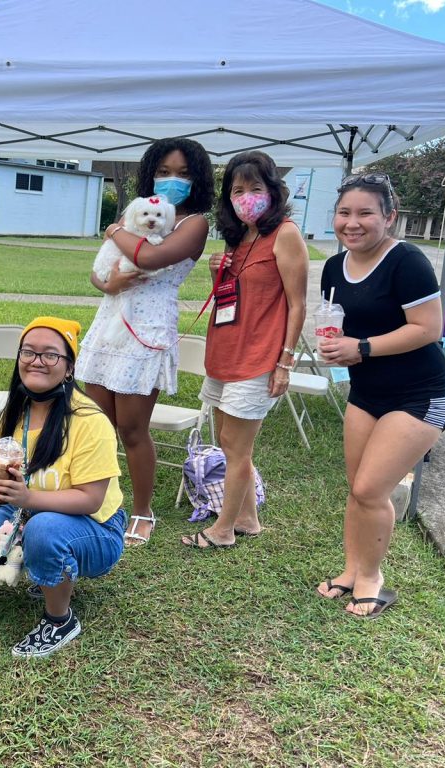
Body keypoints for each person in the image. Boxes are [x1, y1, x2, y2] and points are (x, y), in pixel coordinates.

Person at [0, 317, 126, 657]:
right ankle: (47, 571)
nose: (37, 360)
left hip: (95, 526)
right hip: (23, 513)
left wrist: (29, 498)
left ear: (69, 368)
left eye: (50, 354)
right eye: (29, 351)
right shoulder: (16, 412)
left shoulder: (90, 420)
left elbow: (91, 499)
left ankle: (60, 619)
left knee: (43, 529)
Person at [315, 173, 445, 618]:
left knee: (372, 489)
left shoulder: (406, 261)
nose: (352, 223)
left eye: (365, 213)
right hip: (367, 391)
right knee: (356, 489)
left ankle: (374, 579)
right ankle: (352, 571)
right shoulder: (336, 267)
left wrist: (364, 347)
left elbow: (428, 329)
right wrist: (340, 347)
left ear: (389, 217)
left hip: (419, 393)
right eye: (344, 213)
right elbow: (340, 323)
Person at [75, 137, 214, 546]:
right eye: (165, 172)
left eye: (184, 174)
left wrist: (117, 228)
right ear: (151, 173)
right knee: (95, 423)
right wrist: (110, 282)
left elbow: (151, 259)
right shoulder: (138, 213)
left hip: (148, 331)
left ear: (198, 180)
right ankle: (94, 499)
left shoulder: (193, 224)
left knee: (132, 429)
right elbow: (98, 275)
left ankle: (142, 509)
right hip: (109, 324)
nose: (173, 181)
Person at [181, 150, 308, 550]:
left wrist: (285, 362)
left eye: (256, 187)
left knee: (237, 447)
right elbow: (229, 297)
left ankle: (222, 530)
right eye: (238, 189)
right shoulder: (239, 237)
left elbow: (298, 304)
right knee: (228, 442)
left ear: (273, 191)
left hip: (258, 357)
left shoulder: (284, 233)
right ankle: (248, 519)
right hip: (224, 353)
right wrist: (214, 271)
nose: (246, 196)